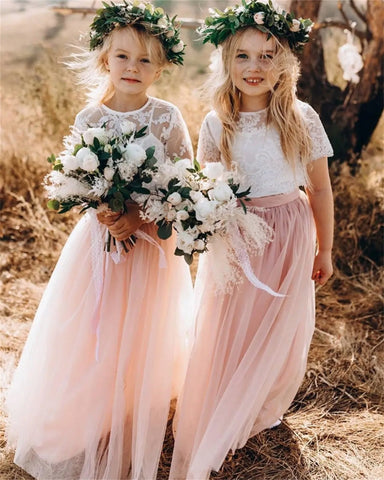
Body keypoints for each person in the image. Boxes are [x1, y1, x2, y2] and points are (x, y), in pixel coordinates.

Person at [6, 2, 194, 479]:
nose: (134, 68)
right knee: (94, 328)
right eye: (123, 57)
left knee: (140, 327)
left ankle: (130, 403)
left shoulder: (168, 118)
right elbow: (76, 178)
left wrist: (138, 215)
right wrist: (103, 207)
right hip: (98, 245)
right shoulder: (90, 116)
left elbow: (184, 187)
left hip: (148, 250)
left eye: (146, 60)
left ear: (162, 66)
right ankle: (89, 411)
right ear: (104, 59)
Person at [169, 2, 334, 479]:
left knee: (279, 320)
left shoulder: (301, 118)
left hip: (290, 231)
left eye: (267, 56)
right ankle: (225, 394)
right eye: (243, 56)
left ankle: (260, 400)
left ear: (284, 64)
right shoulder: (217, 123)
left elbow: (319, 187)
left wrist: (325, 248)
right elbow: (209, 187)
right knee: (231, 316)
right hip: (238, 233)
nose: (255, 67)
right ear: (227, 62)